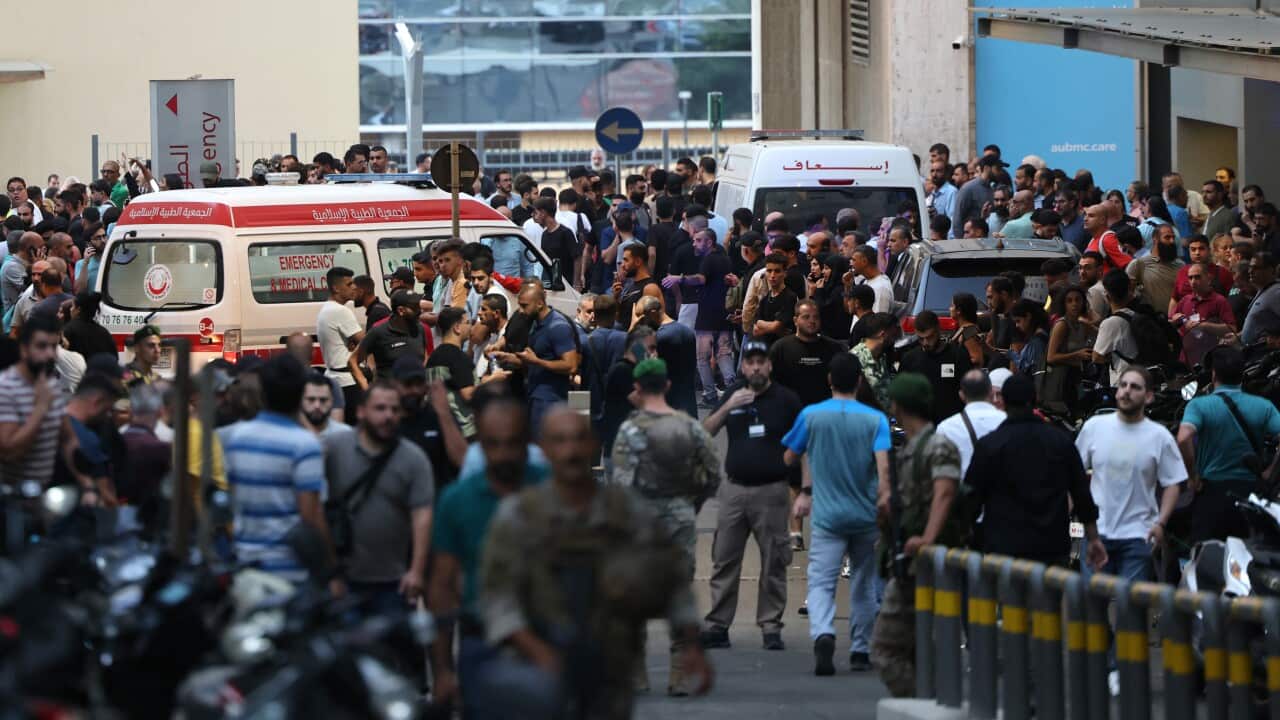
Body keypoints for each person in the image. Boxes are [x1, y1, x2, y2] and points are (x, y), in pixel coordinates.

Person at [478, 407, 712, 719]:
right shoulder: (519, 515)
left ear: (593, 445)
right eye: (559, 441)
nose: (570, 451)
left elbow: (670, 575)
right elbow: (497, 597)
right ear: (544, 450)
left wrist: (691, 646)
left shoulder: (626, 511)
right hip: (538, 672)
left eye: (578, 439)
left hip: (609, 671)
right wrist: (537, 652)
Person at [609, 358, 721, 695]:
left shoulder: (630, 430)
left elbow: (621, 483)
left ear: (638, 389)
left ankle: (637, 675)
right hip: (680, 517)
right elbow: (713, 474)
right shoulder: (688, 427)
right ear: (668, 386)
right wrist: (690, 504)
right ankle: (679, 675)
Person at [428, 393, 542, 715]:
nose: (504, 454)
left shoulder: (552, 491)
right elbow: (441, 587)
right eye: (494, 444)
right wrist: (442, 670)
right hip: (481, 641)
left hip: (546, 638)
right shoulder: (457, 501)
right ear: (480, 441)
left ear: (527, 441)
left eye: (513, 443)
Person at [784, 353, 891, 675]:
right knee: (863, 583)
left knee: (821, 580)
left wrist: (805, 487)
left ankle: (824, 633)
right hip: (864, 514)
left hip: (828, 516)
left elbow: (790, 454)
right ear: (859, 381)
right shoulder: (875, 419)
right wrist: (884, 500)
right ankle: (860, 649)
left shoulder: (811, 415)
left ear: (829, 380)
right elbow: (884, 468)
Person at [700, 339, 802, 650]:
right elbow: (706, 431)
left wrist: (803, 491)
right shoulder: (733, 394)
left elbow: (802, 446)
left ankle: (770, 626)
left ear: (769, 365)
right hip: (734, 490)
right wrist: (729, 406)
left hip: (771, 491)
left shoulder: (786, 399)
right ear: (743, 366)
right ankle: (718, 625)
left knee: (774, 560)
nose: (755, 367)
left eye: (761, 361)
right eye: (750, 362)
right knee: (724, 559)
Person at [869, 373, 964, 696]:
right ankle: (929, 699)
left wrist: (928, 538)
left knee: (886, 648)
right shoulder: (911, 447)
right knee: (917, 647)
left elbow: (945, 492)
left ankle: (927, 703)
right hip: (908, 561)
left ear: (899, 405)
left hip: (925, 559)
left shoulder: (936, 445)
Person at [966, 374, 1107, 568]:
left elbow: (971, 499)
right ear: (1034, 400)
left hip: (1003, 549)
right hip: (1051, 548)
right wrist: (1093, 538)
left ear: (1003, 401)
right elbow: (1081, 494)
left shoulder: (990, 446)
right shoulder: (1061, 443)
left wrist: (968, 536)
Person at [221, 354, 332, 584]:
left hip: (246, 567)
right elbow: (311, 517)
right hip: (291, 572)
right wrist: (331, 570)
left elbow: (232, 502)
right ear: (300, 393)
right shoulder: (304, 444)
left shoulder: (237, 438)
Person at [324, 380, 433, 609]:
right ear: (361, 412)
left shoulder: (413, 458)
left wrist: (416, 571)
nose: (388, 416)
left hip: (394, 581)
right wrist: (330, 572)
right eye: (380, 408)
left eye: (394, 410)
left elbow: (422, 515)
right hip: (346, 579)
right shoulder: (334, 448)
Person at [1076, 367, 1183, 583]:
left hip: (1138, 536)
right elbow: (1074, 474)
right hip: (1097, 533)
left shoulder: (1160, 437)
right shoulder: (1094, 427)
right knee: (1092, 607)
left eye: (1135, 387)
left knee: (1130, 609)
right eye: (1123, 385)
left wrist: (1160, 523)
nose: (1126, 391)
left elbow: (1173, 483)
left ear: (1149, 396)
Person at [1178, 346, 1280, 542]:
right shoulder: (1262, 406)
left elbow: (1183, 438)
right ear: (1242, 375)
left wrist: (1193, 477)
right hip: (1251, 494)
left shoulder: (1199, 405)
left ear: (1214, 374)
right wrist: (1271, 472)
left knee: (1206, 557)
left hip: (1212, 493)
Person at [491, 283, 579, 430]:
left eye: (524, 306)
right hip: (535, 394)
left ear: (539, 304)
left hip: (551, 399)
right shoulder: (535, 324)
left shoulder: (558, 326)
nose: (521, 311)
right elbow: (534, 360)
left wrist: (537, 361)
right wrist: (508, 357)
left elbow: (571, 366)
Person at [0, 315, 69, 490]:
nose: (49, 354)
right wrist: (41, 408)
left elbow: (67, 437)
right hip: (12, 498)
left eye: (54, 346)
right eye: (41, 346)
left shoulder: (51, 384)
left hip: (47, 494)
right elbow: (9, 452)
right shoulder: (6, 388)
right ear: (24, 349)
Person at [767, 299, 845, 409]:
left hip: (825, 412)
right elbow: (770, 384)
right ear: (795, 320)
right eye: (806, 317)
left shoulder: (834, 348)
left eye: (816, 317)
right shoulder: (780, 348)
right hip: (791, 412)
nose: (812, 321)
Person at [689, 228, 736, 406]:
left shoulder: (707, 260)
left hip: (706, 316)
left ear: (709, 242)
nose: (694, 244)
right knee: (724, 354)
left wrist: (680, 278)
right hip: (725, 314)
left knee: (702, 358)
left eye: (698, 240)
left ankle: (710, 395)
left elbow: (700, 279)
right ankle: (732, 391)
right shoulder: (726, 259)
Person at [899, 310, 971, 423]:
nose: (925, 343)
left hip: (952, 425)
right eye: (921, 338)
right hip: (921, 426)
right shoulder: (910, 359)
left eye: (929, 337)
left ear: (938, 330)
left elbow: (969, 391)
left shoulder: (957, 355)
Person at [937, 369, 1007, 480]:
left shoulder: (946, 428)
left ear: (961, 395)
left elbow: (940, 472)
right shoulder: (1007, 422)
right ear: (990, 392)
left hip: (962, 494)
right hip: (1000, 494)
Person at [317, 266, 368, 420]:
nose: (354, 287)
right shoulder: (340, 311)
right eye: (349, 284)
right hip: (348, 381)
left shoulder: (327, 309)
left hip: (336, 378)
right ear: (336, 288)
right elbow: (366, 341)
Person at [1043, 286, 1097, 415]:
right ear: (1064, 304)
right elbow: (1051, 357)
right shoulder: (1062, 325)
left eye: (1078, 300)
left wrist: (1089, 314)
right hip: (1061, 379)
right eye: (1070, 301)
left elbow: (1102, 333)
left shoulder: (1082, 325)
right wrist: (1077, 355)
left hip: (1076, 376)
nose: (1074, 304)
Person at [1170, 262, 1235, 366]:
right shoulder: (1185, 300)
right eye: (1190, 278)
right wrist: (1174, 321)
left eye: (1197, 277)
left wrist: (1204, 325)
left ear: (1209, 278)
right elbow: (1171, 322)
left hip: (1210, 360)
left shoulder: (1219, 301)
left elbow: (1232, 329)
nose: (1193, 281)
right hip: (1187, 360)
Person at [1092, 270, 1139, 387]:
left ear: (1107, 296)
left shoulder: (1110, 323)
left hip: (1123, 382)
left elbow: (1096, 357)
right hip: (1142, 377)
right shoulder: (1135, 315)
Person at [1126, 223, 1184, 314]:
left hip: (1177, 319)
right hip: (1152, 321)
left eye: (1173, 237)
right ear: (1155, 239)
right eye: (1167, 237)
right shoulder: (1139, 264)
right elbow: (1127, 294)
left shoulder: (1181, 265)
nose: (1172, 241)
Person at [752, 252, 798, 347]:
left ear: (785, 273)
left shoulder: (789, 297)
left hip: (784, 349)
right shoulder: (765, 298)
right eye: (769, 271)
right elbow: (756, 331)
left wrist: (765, 326)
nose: (772, 275)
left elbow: (775, 327)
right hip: (767, 348)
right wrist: (774, 328)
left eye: (777, 271)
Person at [613, 243, 661, 331]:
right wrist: (616, 297)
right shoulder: (629, 286)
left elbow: (650, 326)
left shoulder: (650, 288)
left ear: (638, 261)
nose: (622, 265)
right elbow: (619, 317)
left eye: (626, 260)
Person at [299, 374, 354, 441]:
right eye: (311, 399)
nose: (317, 406)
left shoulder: (346, 435)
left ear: (332, 401)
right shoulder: (290, 435)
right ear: (301, 400)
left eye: (323, 400)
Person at [1007, 299, 1050, 377]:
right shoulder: (1035, 338)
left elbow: (1033, 371)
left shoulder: (1038, 342)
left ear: (1028, 316)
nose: (1016, 325)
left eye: (1018, 321)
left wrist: (1013, 355)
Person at [949, 292, 985, 367]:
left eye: (952, 306)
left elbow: (977, 359)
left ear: (959, 310)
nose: (950, 309)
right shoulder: (963, 329)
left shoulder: (969, 331)